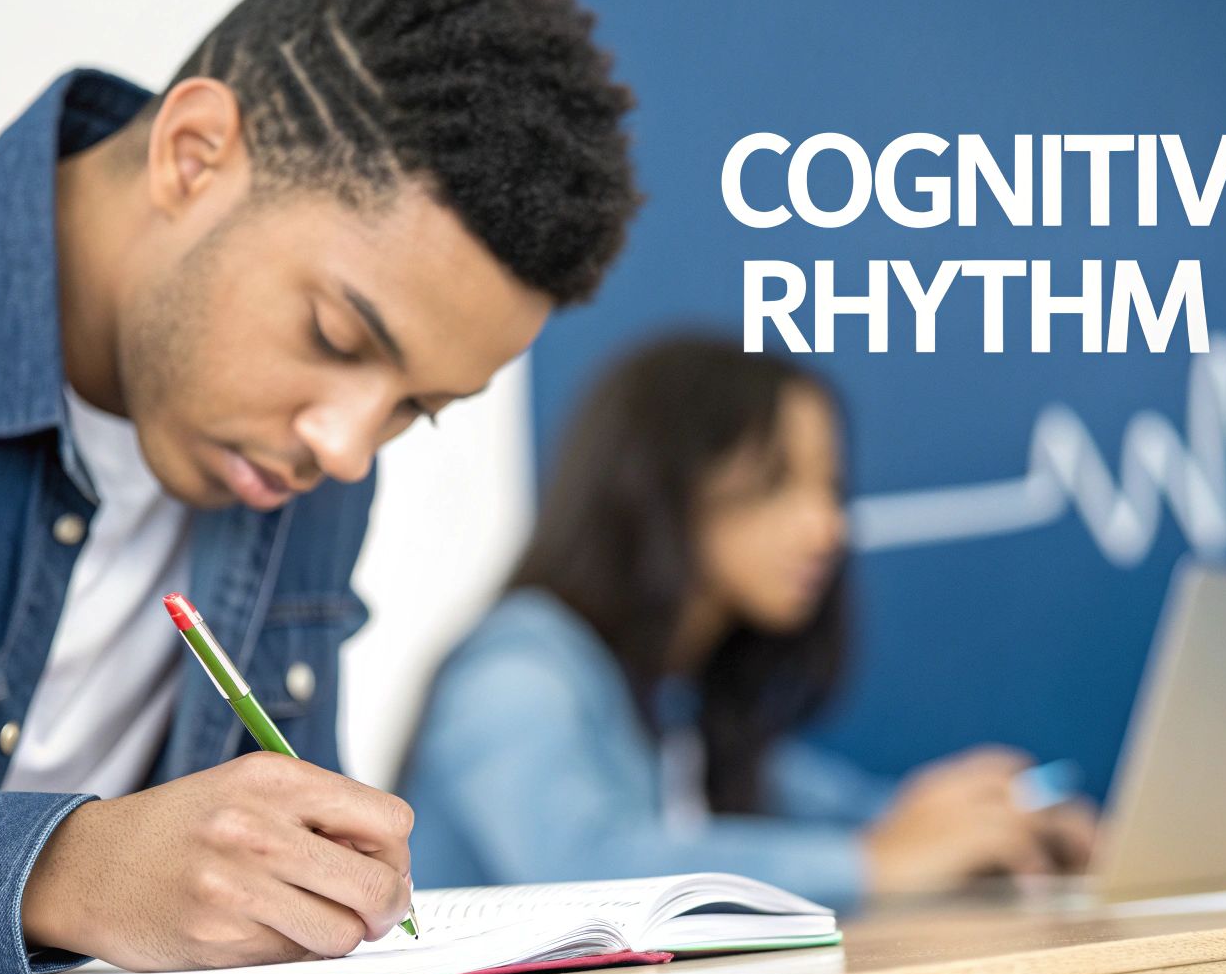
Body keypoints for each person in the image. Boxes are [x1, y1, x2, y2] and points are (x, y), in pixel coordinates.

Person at [0, 0, 638, 974]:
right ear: (192, 154)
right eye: (333, 334)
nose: (346, 448)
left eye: (413, 408)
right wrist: (60, 869)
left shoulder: (300, 462)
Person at [399, 337, 1096, 913]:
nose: (828, 528)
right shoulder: (520, 676)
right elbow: (585, 868)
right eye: (778, 482)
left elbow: (843, 815)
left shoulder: (680, 699)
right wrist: (876, 864)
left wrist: (997, 825)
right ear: (660, 488)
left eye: (831, 487)